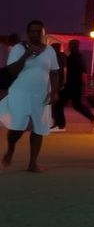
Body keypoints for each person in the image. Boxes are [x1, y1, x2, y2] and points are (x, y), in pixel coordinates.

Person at [0, 20, 61, 172]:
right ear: (27, 34)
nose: (34, 34)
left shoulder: (50, 51)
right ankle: (11, 148)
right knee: (17, 128)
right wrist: (26, 55)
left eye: (38, 31)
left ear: (43, 33)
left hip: (40, 95)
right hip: (20, 93)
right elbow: (12, 71)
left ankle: (33, 163)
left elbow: (54, 72)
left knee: (38, 128)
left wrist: (54, 92)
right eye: (31, 31)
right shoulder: (18, 49)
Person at [51, 39, 94, 131]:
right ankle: (93, 118)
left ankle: (60, 125)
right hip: (76, 85)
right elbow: (83, 71)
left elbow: (69, 71)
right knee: (77, 105)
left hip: (72, 85)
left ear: (72, 46)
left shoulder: (73, 56)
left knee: (58, 103)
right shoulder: (78, 56)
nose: (67, 47)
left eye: (69, 45)